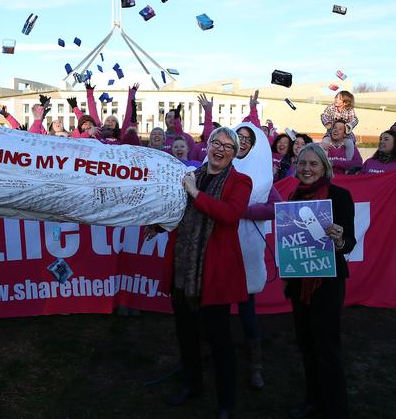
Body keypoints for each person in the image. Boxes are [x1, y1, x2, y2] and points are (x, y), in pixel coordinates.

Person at [149, 126, 252, 419]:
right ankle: (192, 386)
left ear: (234, 154)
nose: (219, 149)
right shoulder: (191, 175)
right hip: (184, 268)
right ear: (206, 146)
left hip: (213, 274)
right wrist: (158, 226)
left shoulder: (240, 181)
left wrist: (195, 193)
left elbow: (229, 216)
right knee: (186, 335)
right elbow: (178, 212)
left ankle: (226, 403)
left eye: (227, 146)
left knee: (220, 341)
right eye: (215, 143)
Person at [285, 144, 355, 419]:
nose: (306, 169)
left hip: (327, 283)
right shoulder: (292, 198)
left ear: (325, 167)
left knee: (326, 347)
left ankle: (336, 409)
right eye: (302, 163)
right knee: (305, 344)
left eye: (313, 164)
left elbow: (349, 242)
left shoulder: (339, 196)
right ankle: (312, 399)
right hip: (299, 283)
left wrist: (339, 239)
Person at [233, 123, 280, 389]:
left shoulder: (263, 176)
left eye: (247, 139)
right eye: (237, 136)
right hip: (219, 245)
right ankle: (214, 351)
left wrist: (246, 211)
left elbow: (278, 208)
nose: (242, 141)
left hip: (248, 248)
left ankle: (255, 364)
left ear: (254, 145)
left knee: (246, 306)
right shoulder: (219, 164)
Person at [320, 91, 358, 160]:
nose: (336, 99)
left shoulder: (349, 110)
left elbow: (355, 119)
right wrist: (327, 123)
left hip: (345, 135)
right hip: (331, 134)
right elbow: (323, 115)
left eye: (339, 98)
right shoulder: (331, 107)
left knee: (350, 143)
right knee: (324, 142)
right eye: (336, 97)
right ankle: (324, 162)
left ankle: (349, 162)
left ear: (345, 102)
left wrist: (349, 126)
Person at [189, 93, 216, 161]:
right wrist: (208, 111)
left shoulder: (220, 148)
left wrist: (208, 111)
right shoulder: (198, 147)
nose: (211, 133)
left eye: (214, 130)